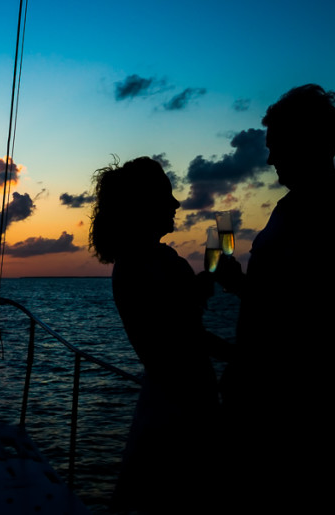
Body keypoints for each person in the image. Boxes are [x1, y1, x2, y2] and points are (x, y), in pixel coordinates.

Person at [214, 84, 335, 511]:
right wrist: (239, 285)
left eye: (275, 145)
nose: (269, 159)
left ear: (308, 142)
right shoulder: (288, 209)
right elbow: (287, 302)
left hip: (306, 432)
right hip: (258, 417)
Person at [90, 156, 232, 513]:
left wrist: (203, 282)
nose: (175, 203)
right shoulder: (144, 263)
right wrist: (246, 356)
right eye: (166, 195)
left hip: (167, 396)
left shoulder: (143, 260)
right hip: (180, 407)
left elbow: (171, 314)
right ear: (144, 204)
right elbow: (181, 335)